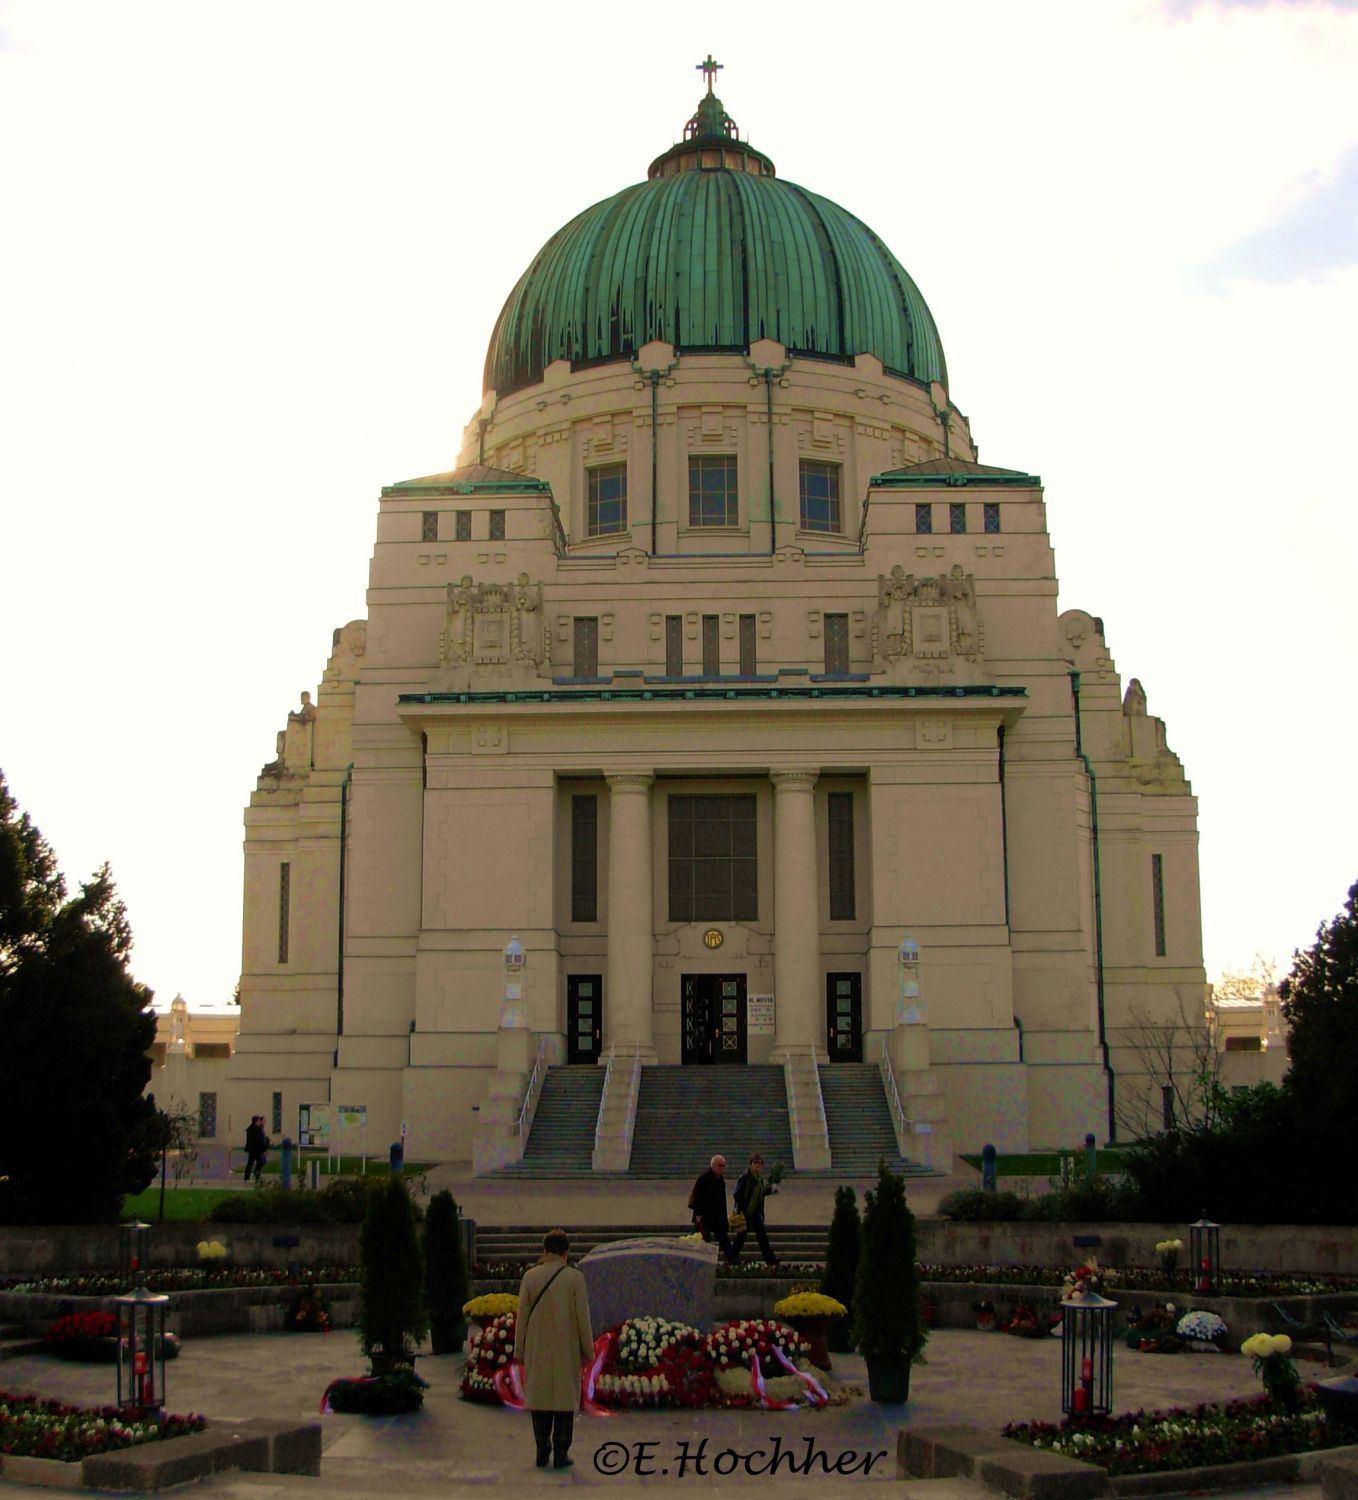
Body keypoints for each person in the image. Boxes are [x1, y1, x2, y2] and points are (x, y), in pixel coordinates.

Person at [513, 1228, 594, 1470]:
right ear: (566, 1252)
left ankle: (541, 1450)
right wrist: (588, 1351)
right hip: (565, 1348)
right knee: (564, 1402)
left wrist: (519, 1350)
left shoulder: (530, 1277)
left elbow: (522, 1318)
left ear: (545, 1250)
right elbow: (583, 1319)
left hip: (537, 1347)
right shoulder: (574, 1278)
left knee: (539, 1400)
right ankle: (561, 1452)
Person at [732, 1152, 780, 1267]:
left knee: (762, 1236)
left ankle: (771, 1261)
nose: (758, 1165)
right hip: (746, 1213)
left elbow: (761, 1193)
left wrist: (772, 1189)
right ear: (751, 1164)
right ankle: (731, 1258)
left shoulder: (759, 1179)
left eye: (760, 1163)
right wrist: (743, 1207)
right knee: (740, 1238)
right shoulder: (745, 1177)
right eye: (755, 1163)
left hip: (756, 1212)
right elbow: (736, 1194)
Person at [688, 1153, 735, 1264]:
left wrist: (725, 1220)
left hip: (717, 1218)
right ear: (713, 1165)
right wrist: (698, 1216)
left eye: (724, 1166)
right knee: (700, 1242)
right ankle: (696, 1263)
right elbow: (698, 1198)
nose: (722, 1168)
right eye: (720, 1165)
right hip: (705, 1218)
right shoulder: (704, 1179)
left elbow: (722, 1202)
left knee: (724, 1241)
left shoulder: (720, 1180)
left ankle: (733, 1262)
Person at [243, 1116, 270, 1182]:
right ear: (256, 1122)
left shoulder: (250, 1130)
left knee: (250, 1163)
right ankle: (257, 1176)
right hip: (257, 1150)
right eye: (258, 1121)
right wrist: (265, 1148)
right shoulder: (258, 1130)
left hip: (252, 1150)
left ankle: (246, 1177)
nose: (259, 1122)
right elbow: (261, 1141)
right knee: (259, 1163)